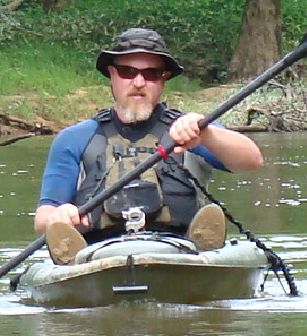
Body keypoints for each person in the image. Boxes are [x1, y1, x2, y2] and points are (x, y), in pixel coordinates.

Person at [32, 27, 263, 263]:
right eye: (127, 72)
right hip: (97, 254)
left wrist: (207, 135)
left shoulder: (191, 129)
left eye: (151, 74)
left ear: (163, 79)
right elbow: (43, 217)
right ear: (112, 74)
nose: (139, 82)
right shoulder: (74, 138)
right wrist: (57, 217)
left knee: (201, 233)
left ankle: (203, 244)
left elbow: (252, 161)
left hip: (181, 250)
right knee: (62, 232)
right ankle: (72, 253)